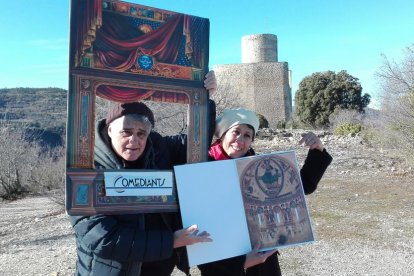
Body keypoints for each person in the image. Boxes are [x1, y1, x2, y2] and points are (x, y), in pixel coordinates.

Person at [69, 72, 217, 276]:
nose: (134, 140)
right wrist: (173, 241)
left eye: (141, 133)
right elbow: (102, 238)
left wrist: (205, 98)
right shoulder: (86, 167)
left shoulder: (157, 148)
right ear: (109, 130)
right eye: (126, 132)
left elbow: (195, 143)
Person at [197, 108, 333, 276]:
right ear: (223, 135)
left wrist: (317, 151)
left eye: (247, 135)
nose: (240, 139)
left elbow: (302, 186)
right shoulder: (201, 167)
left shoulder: (260, 166)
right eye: (236, 132)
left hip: (262, 260)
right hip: (221, 264)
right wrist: (242, 262)